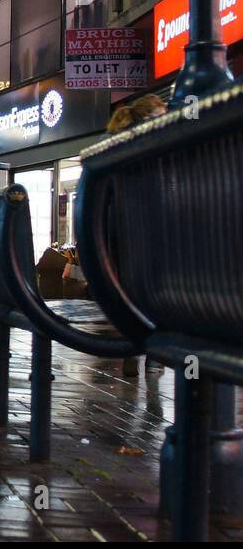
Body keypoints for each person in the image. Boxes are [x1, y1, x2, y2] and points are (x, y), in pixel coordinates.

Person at [106, 93, 167, 375]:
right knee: (153, 293)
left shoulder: (116, 148)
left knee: (132, 294)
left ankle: (133, 347)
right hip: (148, 234)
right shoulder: (153, 150)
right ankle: (150, 353)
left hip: (120, 237)